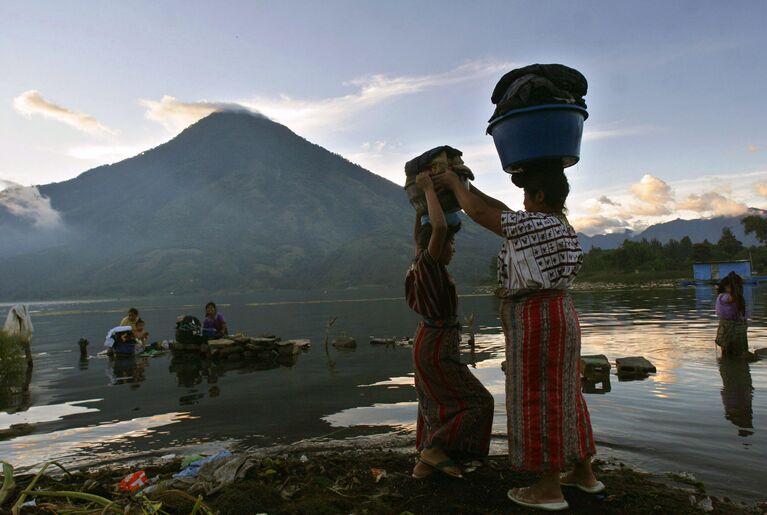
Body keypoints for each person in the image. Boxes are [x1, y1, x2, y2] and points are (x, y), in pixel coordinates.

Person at [434, 161, 601, 511]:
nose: (522, 202)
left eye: (527, 195)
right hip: (561, 314)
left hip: (537, 316)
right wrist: (464, 184)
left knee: (537, 395)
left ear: (540, 196)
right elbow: (498, 209)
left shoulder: (534, 223)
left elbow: (480, 212)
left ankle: (547, 488)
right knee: (566, 391)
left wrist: (451, 182)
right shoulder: (559, 225)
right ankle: (584, 473)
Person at [405, 171, 494, 480]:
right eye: (450, 243)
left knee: (435, 402)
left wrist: (421, 206)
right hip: (437, 345)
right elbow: (439, 226)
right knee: (479, 402)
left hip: (426, 342)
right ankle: (436, 449)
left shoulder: (419, 261)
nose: (452, 247)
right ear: (435, 244)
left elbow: (425, 229)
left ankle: (426, 464)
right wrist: (429, 188)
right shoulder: (429, 265)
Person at [715, 272, 752, 359]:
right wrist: (733, 281)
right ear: (726, 287)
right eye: (736, 286)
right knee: (734, 351)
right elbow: (733, 297)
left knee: (732, 350)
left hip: (733, 326)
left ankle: (728, 366)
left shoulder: (728, 296)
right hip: (730, 326)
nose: (739, 288)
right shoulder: (724, 297)